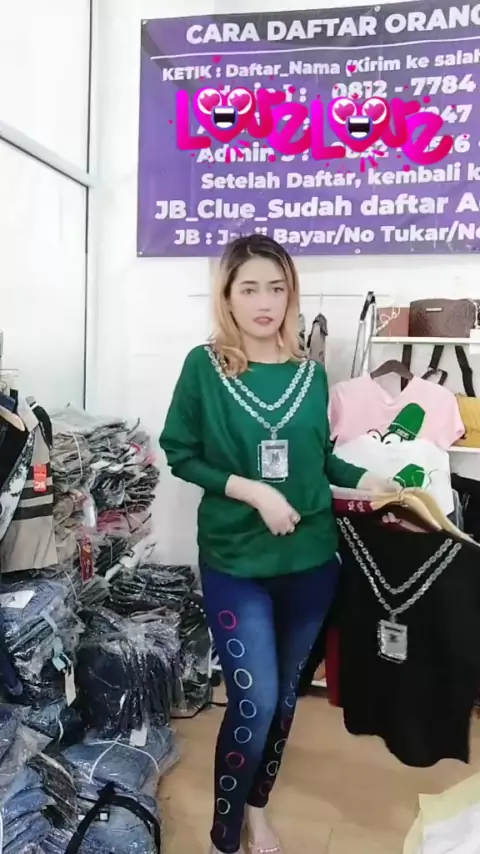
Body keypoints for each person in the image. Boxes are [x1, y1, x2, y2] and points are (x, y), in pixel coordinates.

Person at [159, 234, 396, 854]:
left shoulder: (311, 375)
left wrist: (370, 480)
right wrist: (252, 491)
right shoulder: (204, 367)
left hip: (311, 562)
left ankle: (256, 808)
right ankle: (224, 834)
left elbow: (320, 461)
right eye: (249, 289)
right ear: (228, 297)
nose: (264, 302)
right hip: (236, 561)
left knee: (285, 699)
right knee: (254, 700)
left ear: (291, 295)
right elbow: (180, 452)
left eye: (276, 288)